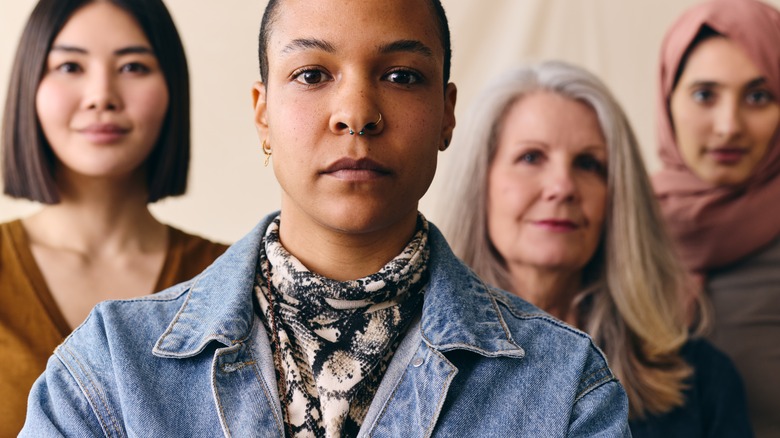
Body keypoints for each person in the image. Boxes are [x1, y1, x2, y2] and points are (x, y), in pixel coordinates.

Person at [20, 0, 630, 436]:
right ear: (262, 113)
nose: (356, 114)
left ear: (447, 113)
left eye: (400, 75)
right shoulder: (110, 370)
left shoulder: (564, 382)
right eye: (312, 74)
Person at [439, 61, 752, 437]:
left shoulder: (703, 381)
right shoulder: (418, 363)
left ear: (618, 198)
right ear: (480, 183)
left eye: (589, 164)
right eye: (531, 157)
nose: (562, 186)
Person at [0, 0, 227, 433]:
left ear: (172, 87)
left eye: (133, 67)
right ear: (29, 83)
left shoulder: (232, 278)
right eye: (69, 66)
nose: (101, 95)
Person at [653, 0, 780, 436]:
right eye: (705, 95)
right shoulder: (616, 226)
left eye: (759, 96)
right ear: (668, 99)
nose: (729, 126)